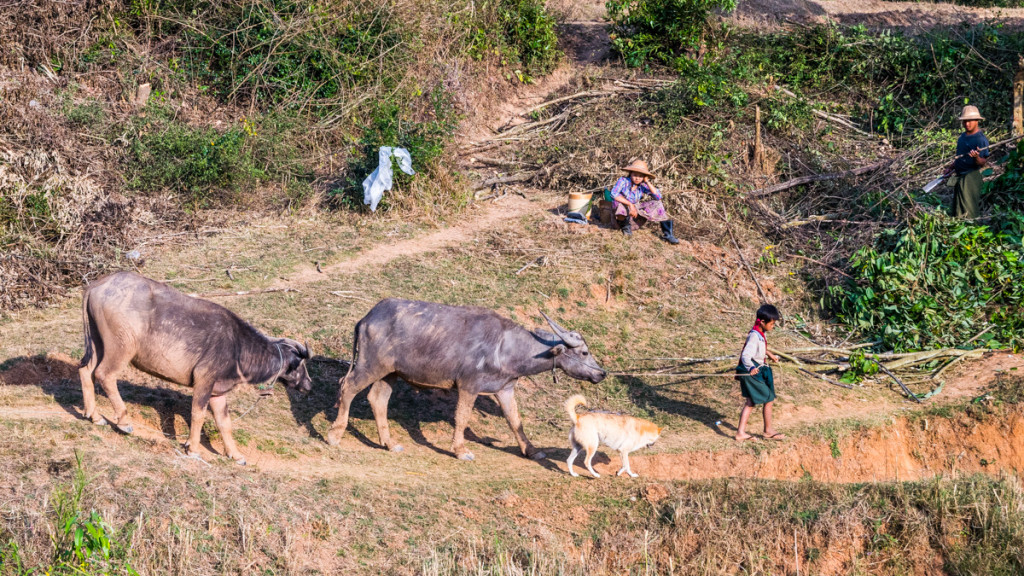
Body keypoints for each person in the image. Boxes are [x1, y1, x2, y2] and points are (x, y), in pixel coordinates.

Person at [734, 304, 785, 442]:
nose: (773, 326)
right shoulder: (754, 336)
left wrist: (770, 355)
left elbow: (760, 349)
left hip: (757, 368)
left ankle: (741, 433)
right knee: (769, 398)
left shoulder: (760, 333)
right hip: (751, 370)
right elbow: (746, 355)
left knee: (750, 401)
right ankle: (768, 431)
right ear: (762, 322)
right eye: (772, 324)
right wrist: (751, 368)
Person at [609, 160, 679, 244]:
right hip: (620, 216)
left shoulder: (642, 186)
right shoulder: (623, 181)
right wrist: (630, 205)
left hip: (634, 216)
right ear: (630, 173)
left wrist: (647, 182)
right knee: (618, 203)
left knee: (657, 203)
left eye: (640, 176)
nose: (637, 178)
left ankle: (668, 234)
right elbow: (614, 194)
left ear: (644, 177)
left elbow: (658, 197)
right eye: (635, 175)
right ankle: (625, 227)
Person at [946, 105, 990, 219]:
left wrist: (976, 157)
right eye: (965, 121)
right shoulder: (962, 137)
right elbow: (959, 157)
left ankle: (973, 231)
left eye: (970, 121)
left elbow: (982, 162)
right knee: (958, 209)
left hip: (971, 177)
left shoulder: (980, 139)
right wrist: (951, 168)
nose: (967, 124)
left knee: (969, 210)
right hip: (960, 176)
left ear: (977, 121)